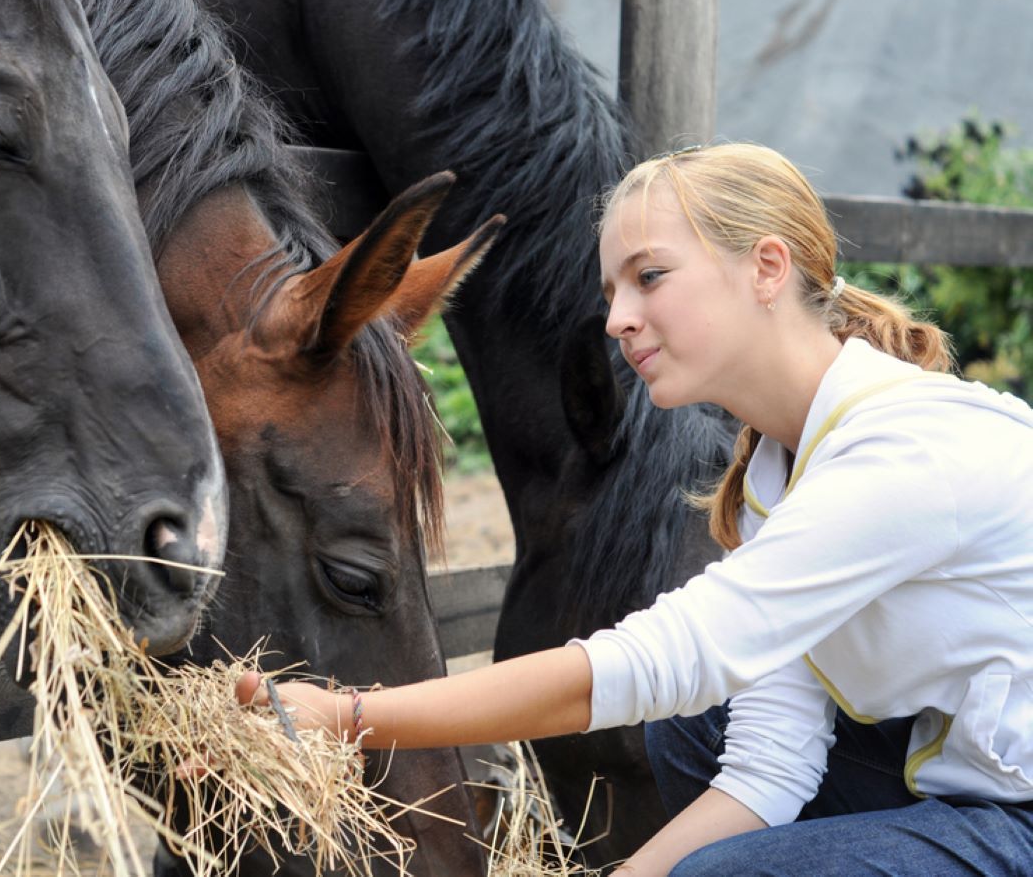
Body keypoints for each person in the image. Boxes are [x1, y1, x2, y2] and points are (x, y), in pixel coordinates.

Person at [236, 142, 1033, 875]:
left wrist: (348, 715)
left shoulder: (905, 451)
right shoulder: (780, 475)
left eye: (648, 277)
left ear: (766, 269)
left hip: (1015, 810)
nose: (616, 318)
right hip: (966, 783)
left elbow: (661, 660)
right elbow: (771, 763)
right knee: (695, 732)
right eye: (612, 289)